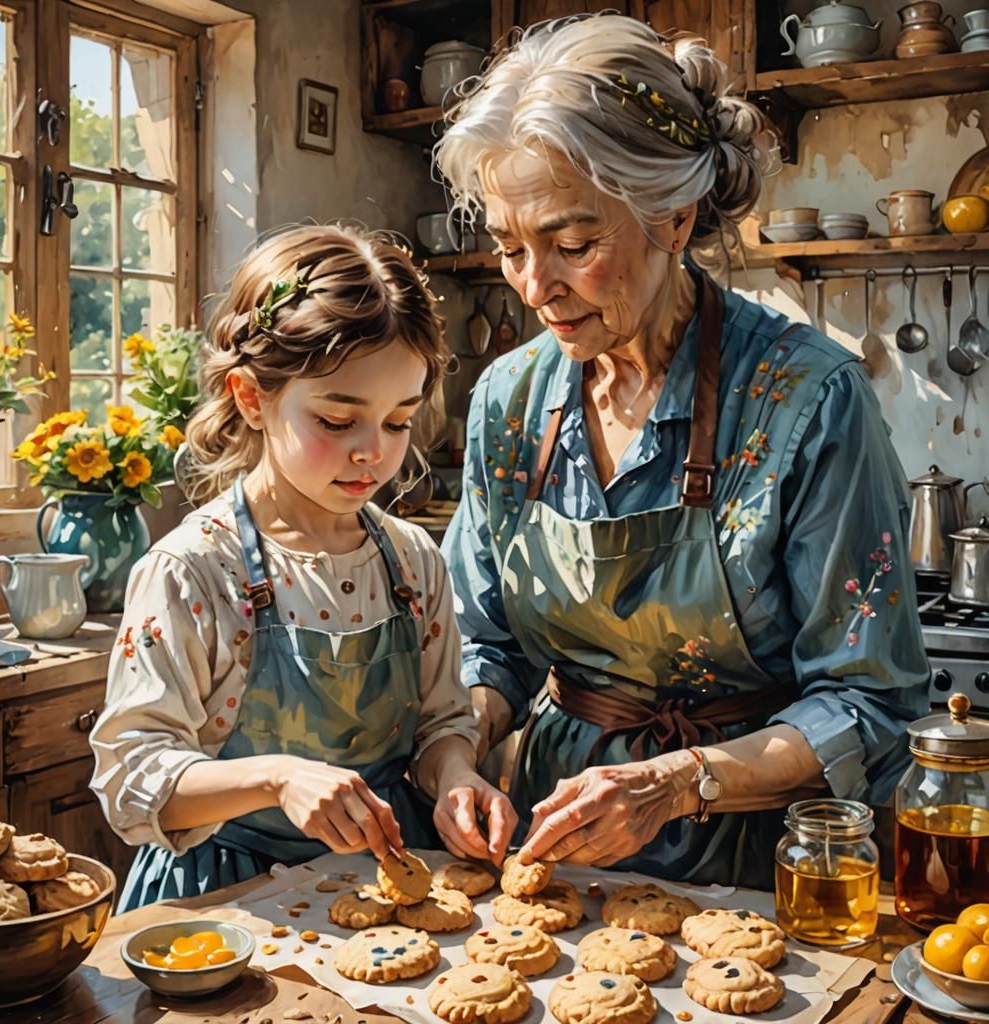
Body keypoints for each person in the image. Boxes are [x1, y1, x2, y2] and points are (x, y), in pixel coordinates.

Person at [434, 14, 930, 888]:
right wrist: (459, 751)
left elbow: (870, 703)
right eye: (511, 248)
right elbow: (484, 646)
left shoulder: (808, 400)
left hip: (766, 855)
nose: (534, 286)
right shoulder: (508, 403)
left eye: (573, 245)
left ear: (674, 216)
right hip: (557, 845)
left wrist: (674, 783)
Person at [90, 224, 516, 910]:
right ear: (252, 398)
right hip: (227, 899)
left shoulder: (412, 563)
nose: (373, 453)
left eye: (399, 421)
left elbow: (440, 726)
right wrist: (278, 779)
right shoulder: (193, 572)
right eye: (336, 420)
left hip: (391, 888)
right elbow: (130, 779)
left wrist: (458, 775)